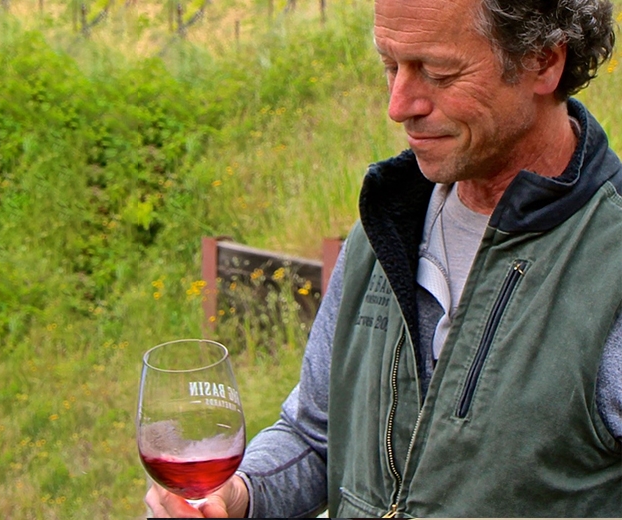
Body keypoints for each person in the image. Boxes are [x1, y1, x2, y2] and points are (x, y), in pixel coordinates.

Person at [146, 0, 622, 516]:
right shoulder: (386, 227)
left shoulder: (609, 266)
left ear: (544, 61)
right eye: (390, 67)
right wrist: (240, 494)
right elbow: (317, 435)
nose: (399, 105)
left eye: (438, 72)